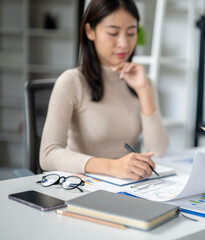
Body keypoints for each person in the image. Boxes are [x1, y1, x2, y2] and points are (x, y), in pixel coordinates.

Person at [40, 0, 168, 181]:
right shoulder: (71, 81)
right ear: (90, 31)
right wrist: (111, 166)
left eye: (131, 33)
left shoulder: (142, 81)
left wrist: (144, 90)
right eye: (113, 33)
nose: (124, 43)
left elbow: (160, 151)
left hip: (126, 186)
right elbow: (48, 155)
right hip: (82, 184)